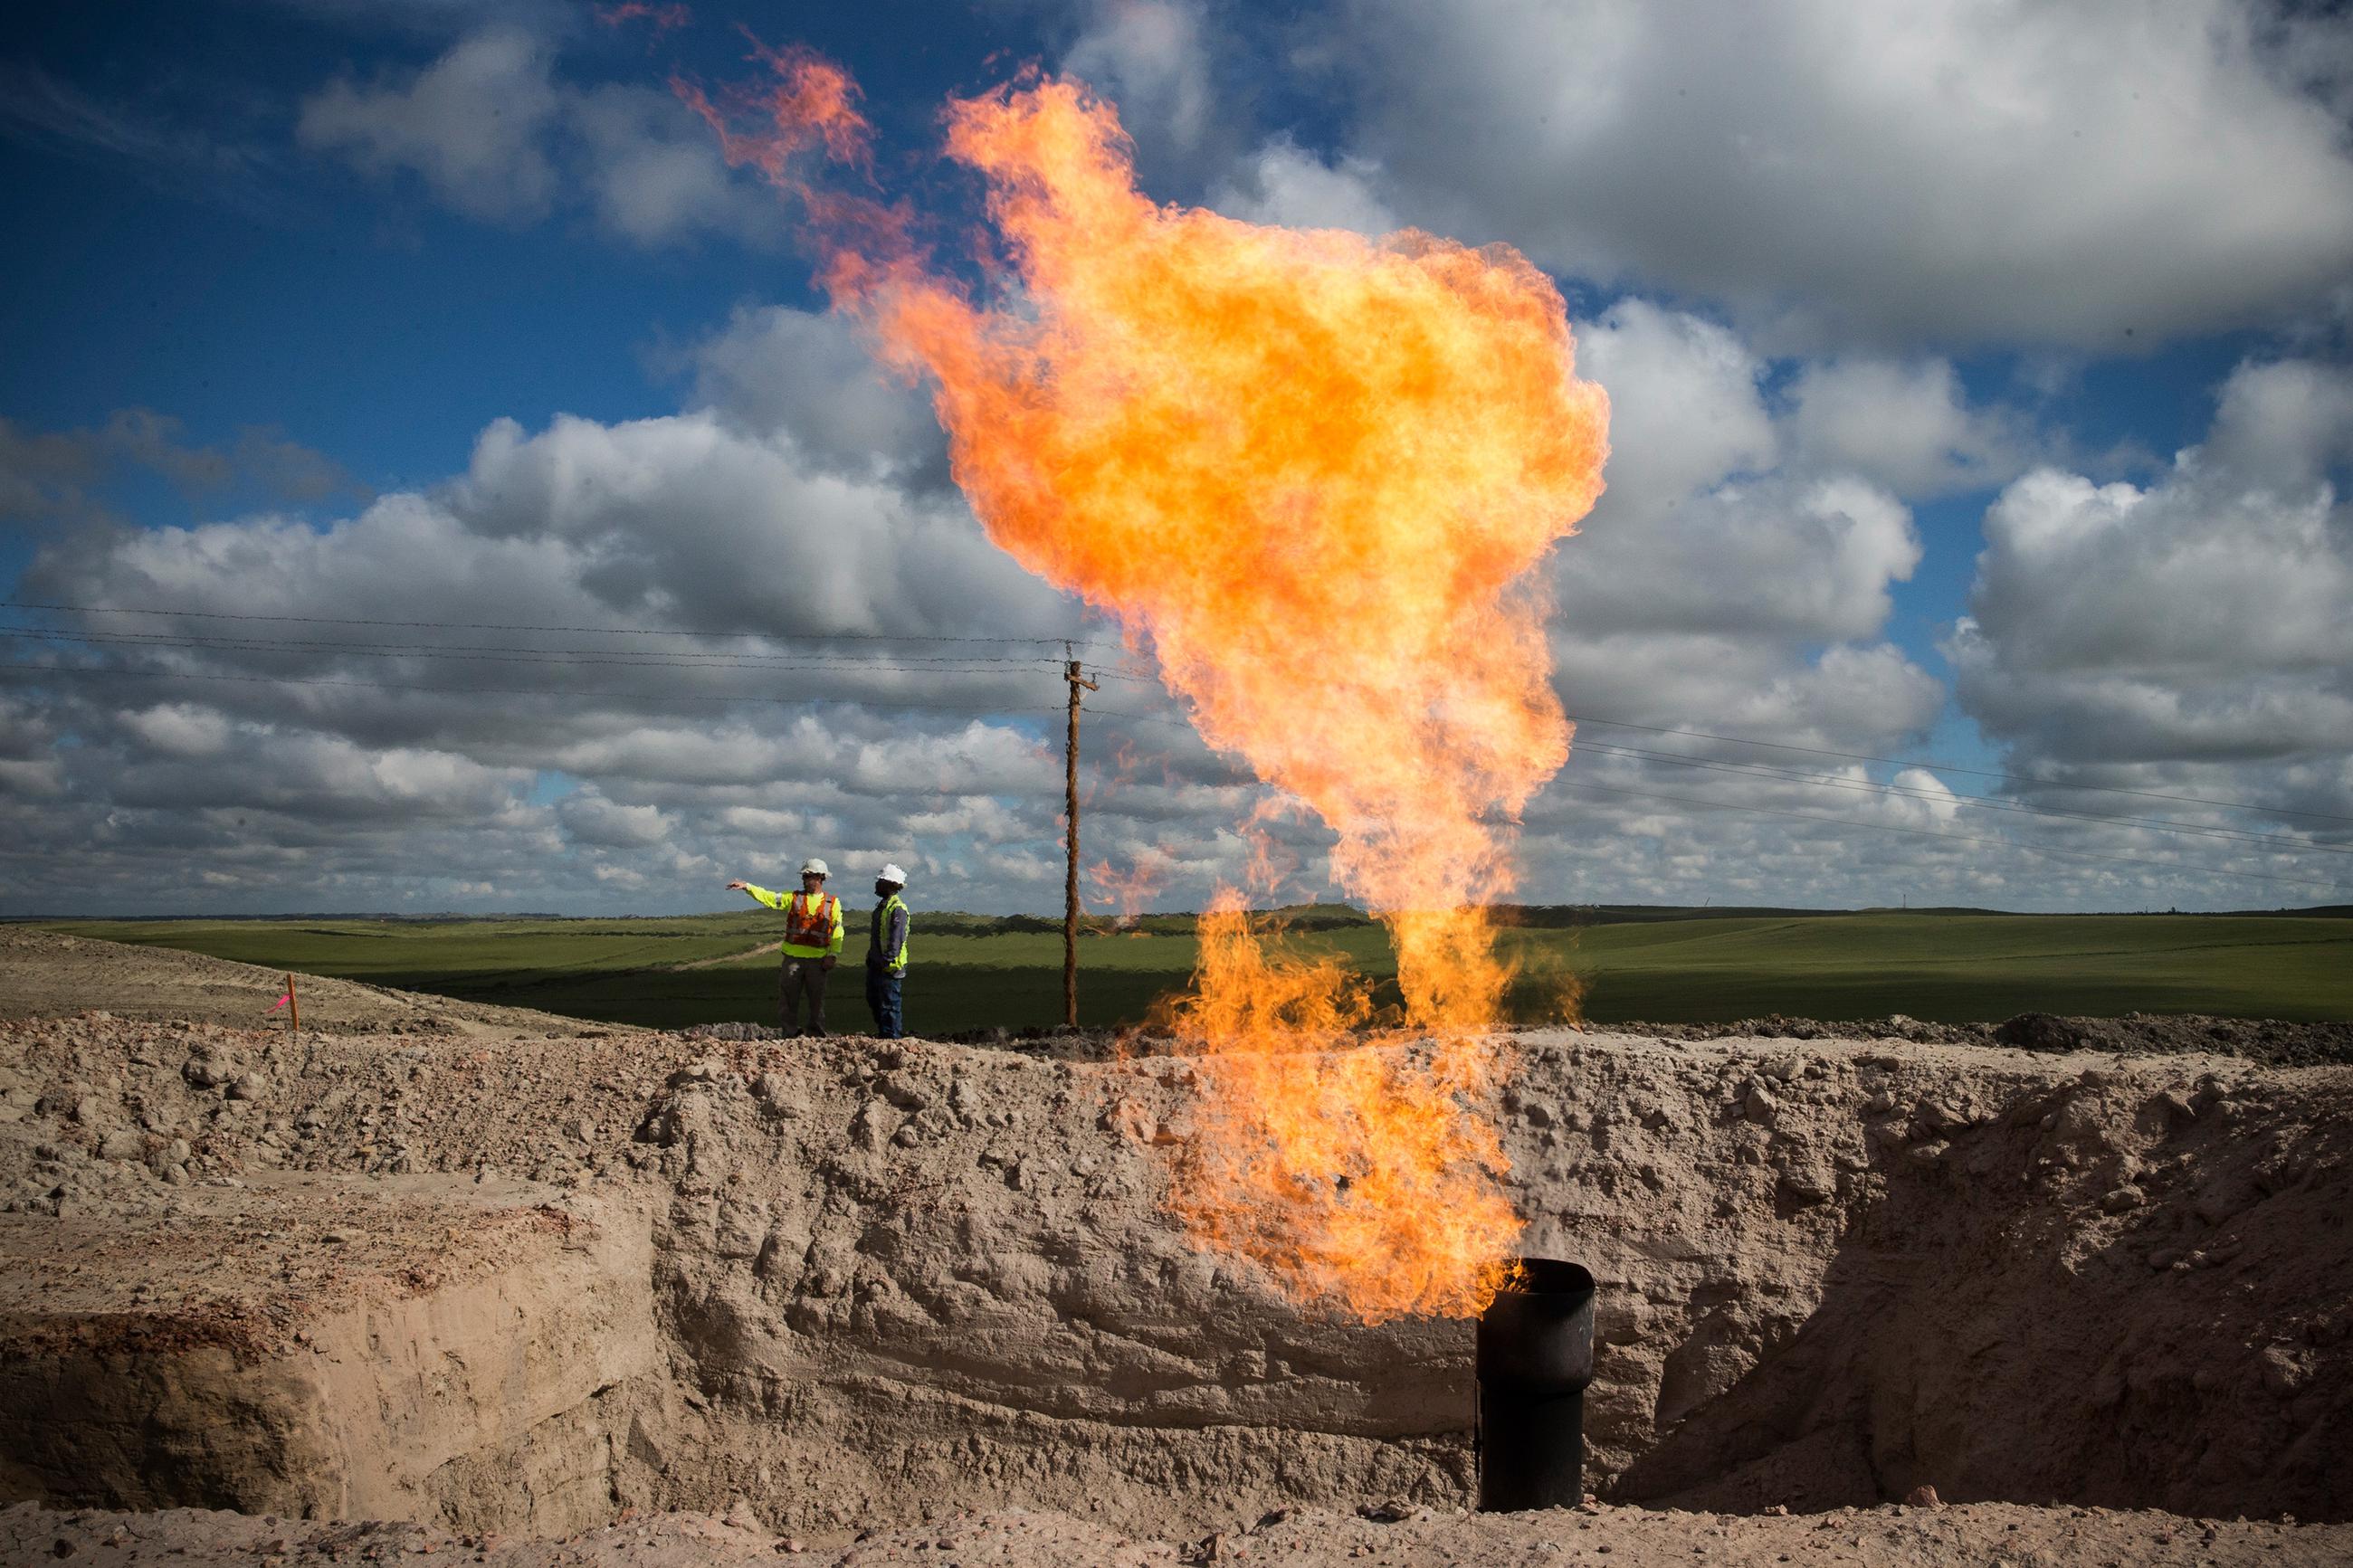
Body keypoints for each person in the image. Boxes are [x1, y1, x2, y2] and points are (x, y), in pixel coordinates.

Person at [726, 859, 843, 1036]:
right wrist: (748, 887)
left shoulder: (833, 903)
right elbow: (771, 898)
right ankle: (789, 1033)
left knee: (817, 1000)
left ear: (820, 877)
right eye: (804, 876)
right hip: (792, 958)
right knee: (788, 999)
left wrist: (833, 954)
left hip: (818, 960)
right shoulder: (793, 898)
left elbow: (837, 930)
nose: (804, 879)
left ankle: (816, 1034)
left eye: (807, 876)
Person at [865, 864, 911, 1040]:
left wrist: (887, 960)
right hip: (877, 963)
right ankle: (885, 1033)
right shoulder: (882, 907)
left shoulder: (897, 908)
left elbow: (896, 939)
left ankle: (892, 1037)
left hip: (889, 966)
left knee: (890, 1004)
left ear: (891, 884)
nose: (877, 885)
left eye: (881, 881)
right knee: (875, 999)